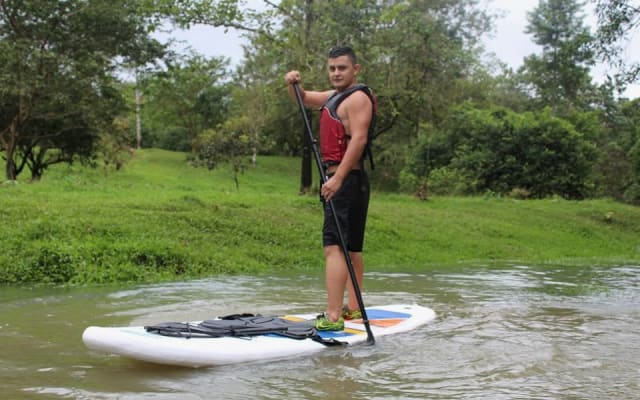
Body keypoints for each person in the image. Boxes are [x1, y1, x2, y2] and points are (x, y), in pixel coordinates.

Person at [285, 46, 375, 331]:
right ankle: (353, 310)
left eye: (342, 68)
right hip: (351, 183)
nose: (336, 73)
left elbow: (358, 141)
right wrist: (293, 83)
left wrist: (336, 180)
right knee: (350, 249)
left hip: (345, 181)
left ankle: (333, 317)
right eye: (332, 68)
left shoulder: (358, 98)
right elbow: (304, 99)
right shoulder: (336, 96)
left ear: (355, 69)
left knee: (334, 249)